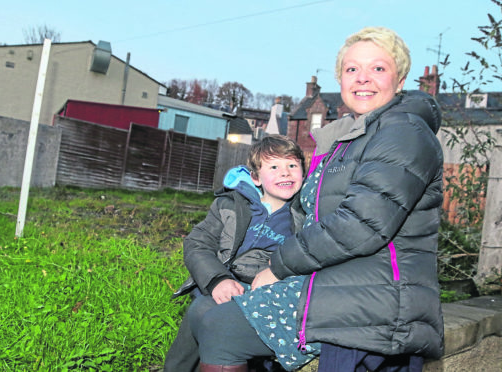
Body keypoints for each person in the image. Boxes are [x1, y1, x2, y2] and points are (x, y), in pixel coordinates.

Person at [189, 26, 445, 372]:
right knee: (207, 310)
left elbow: (361, 224)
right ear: (340, 79)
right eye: (352, 69)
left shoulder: (403, 132)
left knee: (221, 328)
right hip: (337, 280)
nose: (363, 79)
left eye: (378, 69)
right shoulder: (353, 138)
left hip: (376, 299)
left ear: (400, 81)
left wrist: (277, 268)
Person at [163, 134, 306, 372]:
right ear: (256, 177)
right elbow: (197, 244)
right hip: (216, 285)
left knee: (214, 326)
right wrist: (218, 279)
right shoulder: (231, 204)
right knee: (194, 328)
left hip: (262, 295)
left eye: (292, 165)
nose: (285, 172)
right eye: (274, 166)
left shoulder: (304, 217)